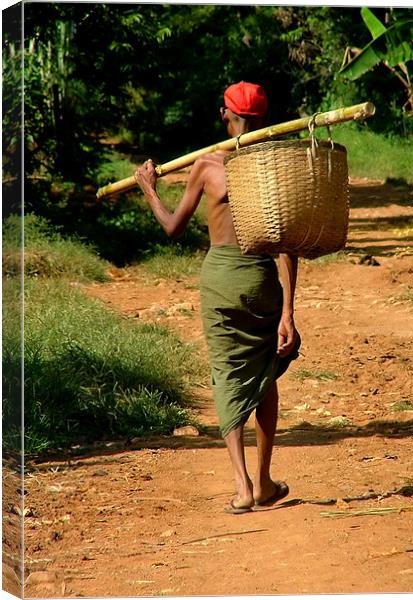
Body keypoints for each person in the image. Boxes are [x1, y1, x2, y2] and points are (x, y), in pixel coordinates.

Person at [134, 81, 300, 514]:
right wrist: (288, 312)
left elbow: (173, 228)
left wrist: (149, 188)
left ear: (226, 115)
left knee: (227, 375)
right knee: (264, 378)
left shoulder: (208, 167)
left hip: (221, 281)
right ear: (265, 120)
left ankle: (243, 487)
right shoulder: (276, 168)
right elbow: (287, 245)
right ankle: (264, 483)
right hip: (261, 281)